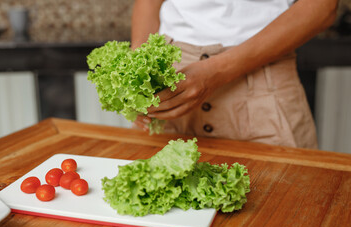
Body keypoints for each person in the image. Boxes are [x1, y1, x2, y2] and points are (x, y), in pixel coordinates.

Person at [131, 0, 338, 149]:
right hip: (173, 76)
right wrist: (137, 75)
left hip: (262, 72)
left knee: (284, 202)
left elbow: (322, 7)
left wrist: (215, 72)